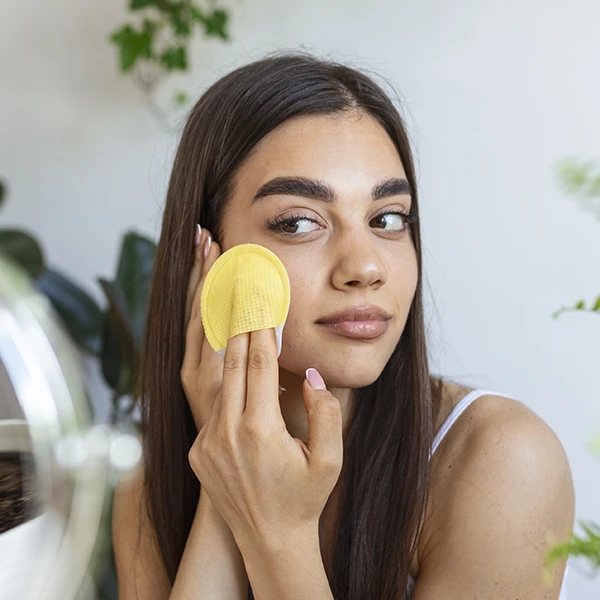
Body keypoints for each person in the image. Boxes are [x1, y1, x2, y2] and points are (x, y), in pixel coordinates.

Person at [112, 51, 575, 600]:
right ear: (209, 260)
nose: (366, 267)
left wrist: (277, 533)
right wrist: (227, 475)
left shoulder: (500, 459)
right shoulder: (145, 485)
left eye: (388, 219)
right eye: (300, 222)